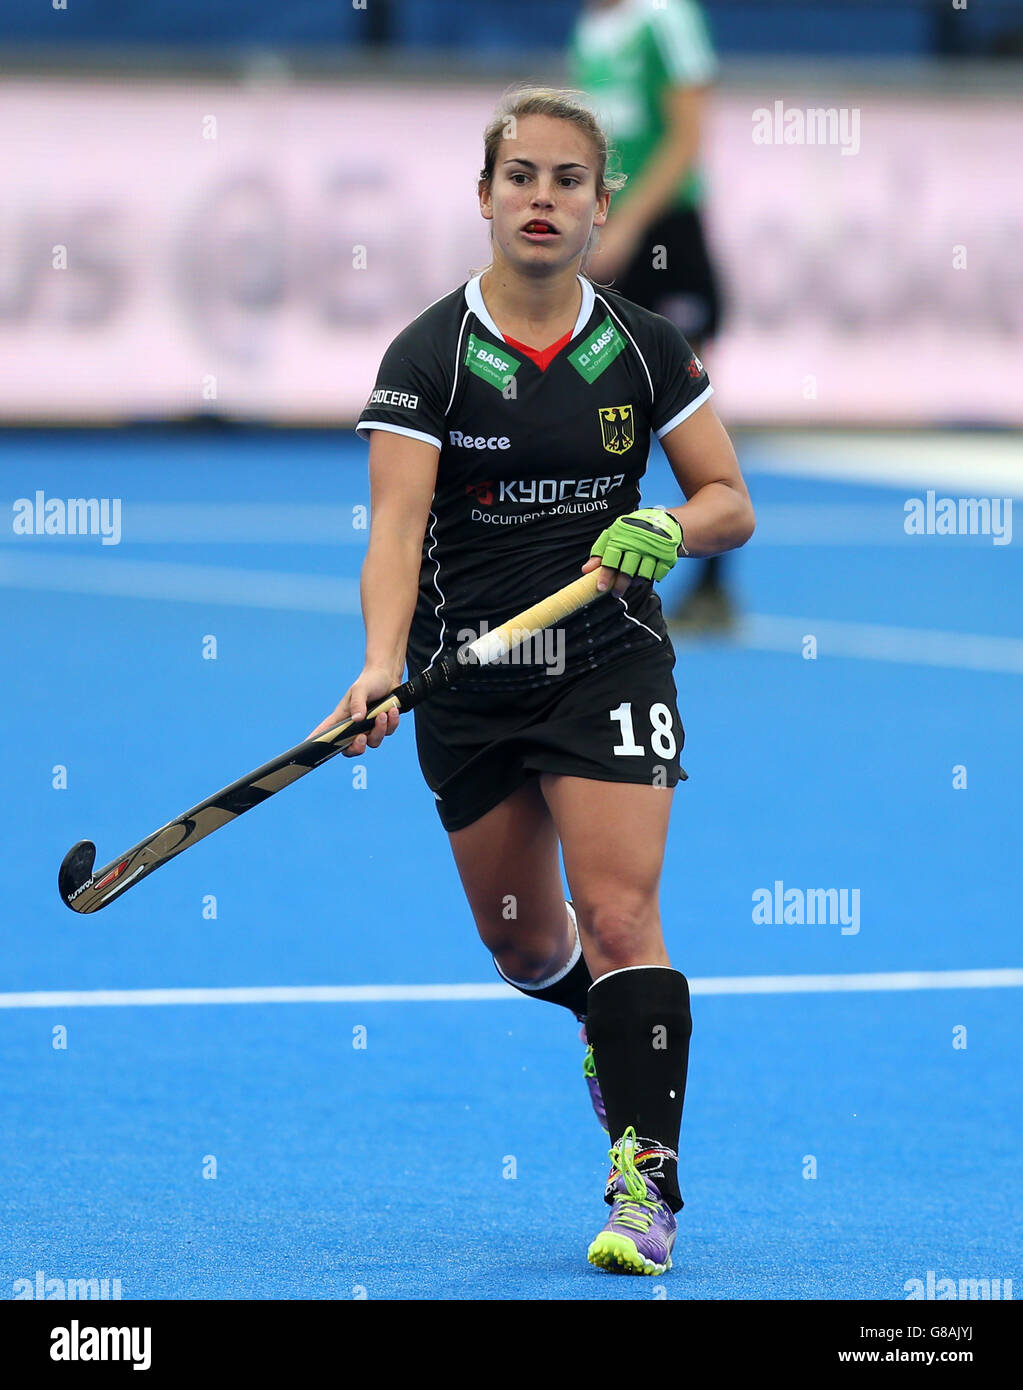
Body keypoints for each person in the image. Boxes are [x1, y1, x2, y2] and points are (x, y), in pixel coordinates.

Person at [310, 87, 754, 1276]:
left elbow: (730, 501)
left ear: (604, 201)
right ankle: (615, 1023)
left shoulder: (644, 346)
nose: (543, 199)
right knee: (525, 945)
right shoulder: (431, 355)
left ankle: (645, 1181)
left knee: (620, 914)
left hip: (605, 661)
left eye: (568, 179)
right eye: (522, 177)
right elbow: (395, 533)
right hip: (468, 679)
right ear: (486, 197)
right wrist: (378, 666)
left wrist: (667, 523)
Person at [570, 0, 735, 631]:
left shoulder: (667, 17)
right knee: (599, 395)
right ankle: (594, 565)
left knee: (689, 401)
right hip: (616, 233)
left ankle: (715, 583)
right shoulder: (590, 27)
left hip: (668, 235)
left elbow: (687, 137)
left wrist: (631, 222)